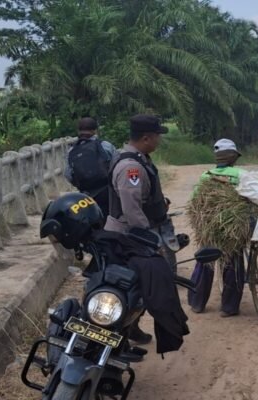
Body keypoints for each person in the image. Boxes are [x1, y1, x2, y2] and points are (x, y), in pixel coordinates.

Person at [188, 138, 258, 317]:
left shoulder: (206, 176)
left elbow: (195, 202)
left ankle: (197, 303)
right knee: (233, 261)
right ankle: (229, 308)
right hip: (234, 230)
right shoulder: (240, 174)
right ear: (233, 158)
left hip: (212, 229)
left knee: (205, 261)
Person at [105, 114, 170, 344]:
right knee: (128, 287)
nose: (159, 140)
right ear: (146, 138)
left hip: (131, 235)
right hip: (128, 237)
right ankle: (118, 337)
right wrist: (150, 241)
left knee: (138, 286)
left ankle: (130, 328)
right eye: (157, 136)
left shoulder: (137, 159)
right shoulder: (131, 167)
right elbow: (131, 210)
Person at [64, 117, 116, 216]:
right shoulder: (105, 145)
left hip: (85, 196)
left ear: (78, 131)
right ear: (95, 131)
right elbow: (117, 165)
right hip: (107, 192)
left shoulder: (71, 151)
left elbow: (68, 174)